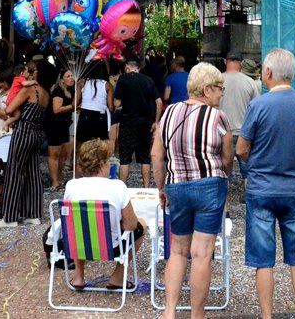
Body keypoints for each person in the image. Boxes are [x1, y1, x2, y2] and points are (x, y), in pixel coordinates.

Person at [236, 48, 295, 319]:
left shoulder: (258, 104)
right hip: (294, 188)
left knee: (263, 260)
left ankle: (267, 316)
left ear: (268, 73)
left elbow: (241, 148)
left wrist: (258, 158)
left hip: (261, 188)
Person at [151, 62, 232, 319]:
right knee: (202, 253)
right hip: (209, 186)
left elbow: (156, 155)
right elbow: (227, 158)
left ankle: (170, 311)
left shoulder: (168, 113)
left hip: (176, 186)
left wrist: (162, 187)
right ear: (207, 89)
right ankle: (197, 315)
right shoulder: (218, 117)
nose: (221, 94)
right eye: (220, 89)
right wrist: (224, 177)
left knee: (177, 250)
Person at [62, 139, 147, 290]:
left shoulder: (71, 185)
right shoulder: (117, 187)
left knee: (80, 227)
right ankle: (118, 277)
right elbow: (131, 225)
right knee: (141, 225)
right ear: (102, 164)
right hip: (110, 247)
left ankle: (78, 277)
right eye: (108, 160)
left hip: (79, 245)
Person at [0, 59, 51, 227]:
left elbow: (10, 110)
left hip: (23, 131)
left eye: (36, 70)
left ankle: (9, 217)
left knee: (14, 173)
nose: (34, 72)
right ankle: (33, 214)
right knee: (33, 174)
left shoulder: (30, 88)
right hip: (37, 133)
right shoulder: (46, 93)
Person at [113, 59, 161, 186]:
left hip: (127, 123)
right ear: (138, 68)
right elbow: (159, 102)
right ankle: (146, 187)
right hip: (145, 124)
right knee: (145, 158)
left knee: (125, 159)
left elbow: (117, 103)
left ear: (128, 67)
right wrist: (156, 122)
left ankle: (123, 186)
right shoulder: (148, 80)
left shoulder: (123, 79)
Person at [219, 51, 259, 182]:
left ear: (225, 61)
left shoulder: (217, 80)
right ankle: (248, 194)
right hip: (243, 132)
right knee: (247, 169)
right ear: (241, 63)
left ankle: (224, 196)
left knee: (223, 168)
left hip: (221, 131)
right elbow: (256, 109)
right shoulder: (249, 82)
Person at [74, 62, 113, 159]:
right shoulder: (107, 85)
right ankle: (97, 171)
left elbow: (74, 103)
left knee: (81, 150)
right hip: (100, 117)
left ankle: (79, 172)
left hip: (85, 115)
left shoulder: (82, 83)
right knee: (99, 149)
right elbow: (111, 107)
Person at [44, 68, 75, 192]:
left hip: (63, 125)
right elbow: (57, 109)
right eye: (68, 76)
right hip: (54, 125)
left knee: (62, 153)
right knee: (54, 154)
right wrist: (72, 106)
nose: (71, 78)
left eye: (72, 76)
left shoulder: (69, 91)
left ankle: (60, 178)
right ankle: (55, 182)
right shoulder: (58, 91)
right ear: (62, 80)